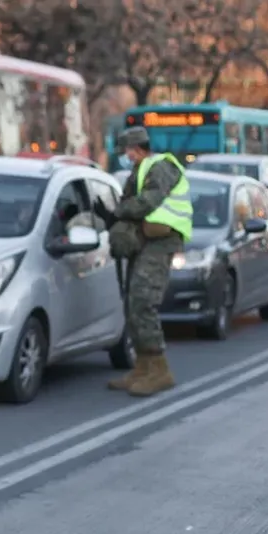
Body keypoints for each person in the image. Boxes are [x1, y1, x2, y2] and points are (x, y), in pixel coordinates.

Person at [94, 126, 192, 397]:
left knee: (143, 300)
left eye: (127, 151)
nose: (125, 157)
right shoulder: (139, 171)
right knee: (132, 301)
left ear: (137, 149)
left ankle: (159, 370)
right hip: (146, 240)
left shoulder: (159, 167)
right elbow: (130, 204)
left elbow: (148, 201)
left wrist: (118, 211)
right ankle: (142, 366)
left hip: (162, 241)